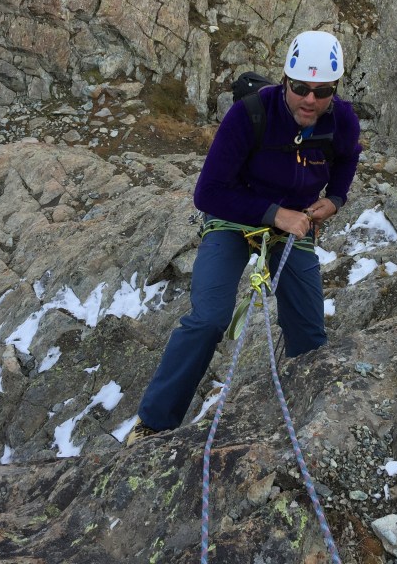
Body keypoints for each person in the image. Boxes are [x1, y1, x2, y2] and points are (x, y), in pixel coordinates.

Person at [127, 30, 362, 445]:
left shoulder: (341, 119)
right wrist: (276, 214)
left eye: (323, 91)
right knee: (208, 319)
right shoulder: (249, 115)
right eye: (301, 88)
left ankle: (303, 417)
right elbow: (208, 193)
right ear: (285, 81)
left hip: (294, 224)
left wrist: (336, 199)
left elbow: (347, 157)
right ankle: (153, 424)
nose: (310, 99)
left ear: (335, 89)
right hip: (233, 220)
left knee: (309, 331)